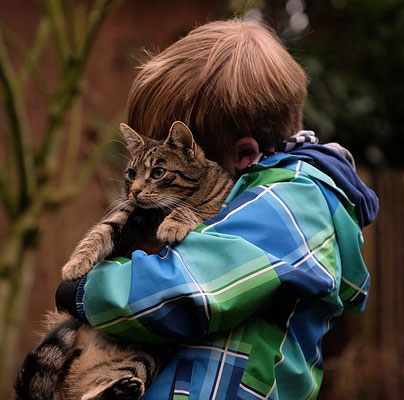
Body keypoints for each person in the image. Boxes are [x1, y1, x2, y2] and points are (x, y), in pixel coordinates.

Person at [56, 19, 378, 399]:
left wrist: (82, 293)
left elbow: (184, 291)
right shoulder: (260, 199)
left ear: (244, 155)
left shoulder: (294, 203)